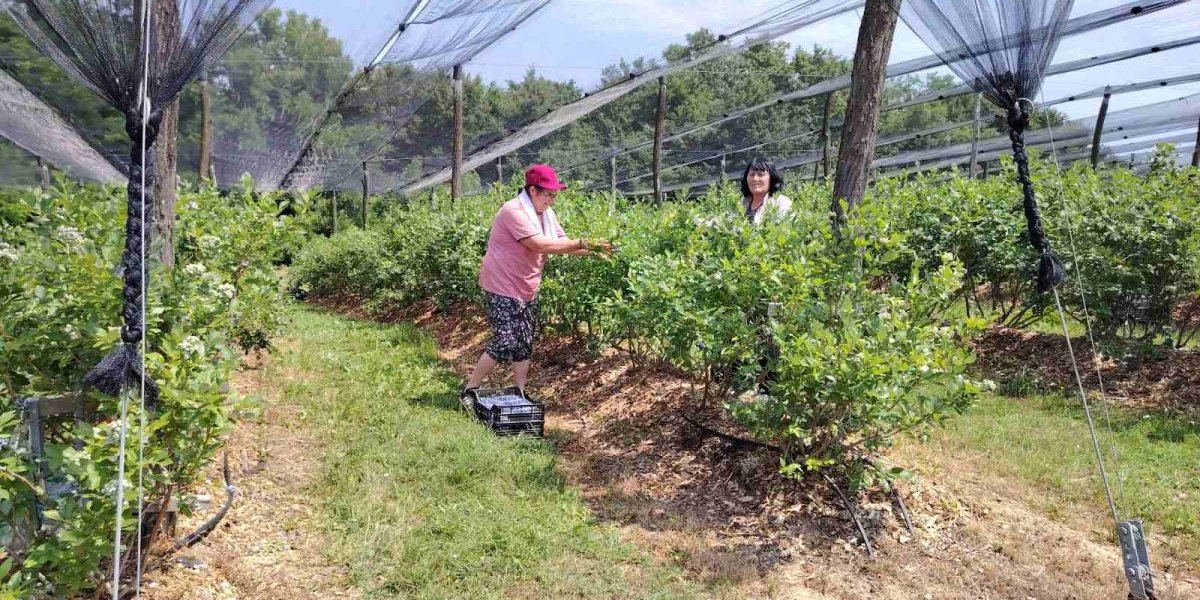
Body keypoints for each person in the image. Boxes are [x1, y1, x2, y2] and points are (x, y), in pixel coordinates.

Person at [461, 164, 613, 404]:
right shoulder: (514, 211)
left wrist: (595, 251)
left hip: (526, 286)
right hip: (502, 284)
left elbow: (561, 242)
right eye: (548, 194)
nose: (552, 200)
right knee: (505, 340)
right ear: (532, 190)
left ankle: (519, 392)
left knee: (524, 340)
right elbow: (540, 245)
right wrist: (584, 243)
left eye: (555, 195)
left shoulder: (545, 214)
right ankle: (469, 391)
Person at [740, 157, 792, 225]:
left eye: (760, 174)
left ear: (772, 178)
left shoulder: (781, 202)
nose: (755, 179)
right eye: (752, 174)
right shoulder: (741, 203)